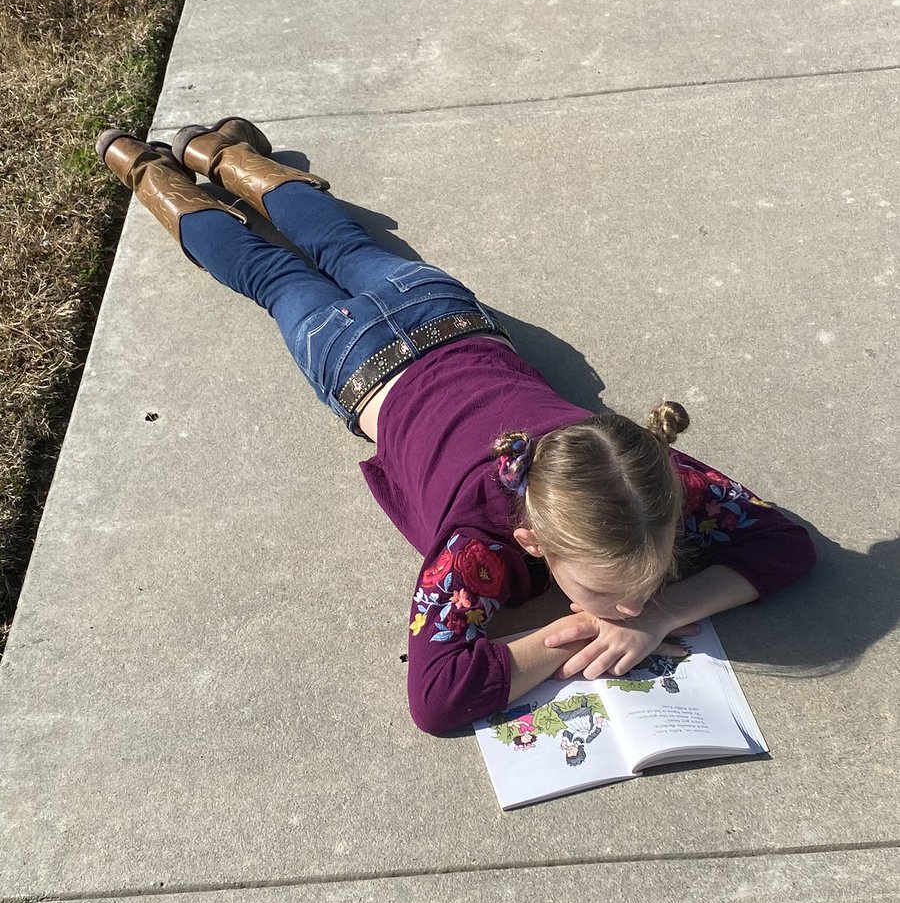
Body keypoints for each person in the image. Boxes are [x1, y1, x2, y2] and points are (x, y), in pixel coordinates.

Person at [96, 119, 817, 735]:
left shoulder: (644, 478)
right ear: (530, 539)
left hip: (443, 314)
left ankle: (216, 160)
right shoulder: (476, 545)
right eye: (609, 592)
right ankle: (162, 173)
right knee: (277, 279)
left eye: (649, 578)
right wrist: (574, 631)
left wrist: (667, 611)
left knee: (341, 248)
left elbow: (789, 545)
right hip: (352, 358)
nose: (632, 603)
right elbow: (436, 699)